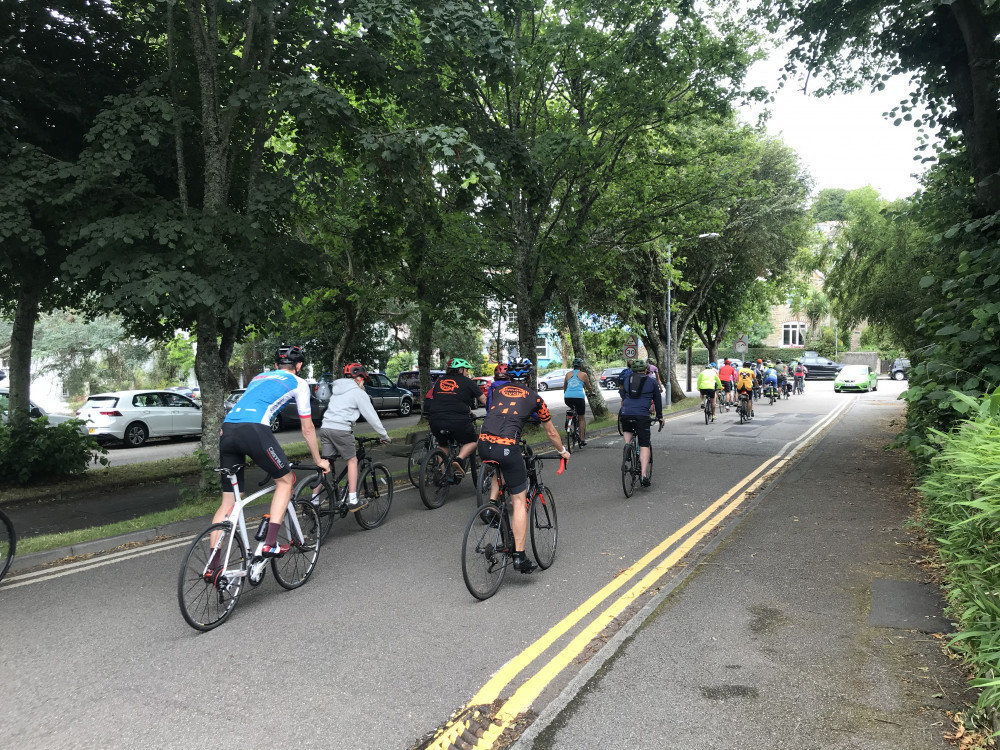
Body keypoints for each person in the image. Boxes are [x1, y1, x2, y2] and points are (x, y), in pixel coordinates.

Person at [213, 345, 330, 565]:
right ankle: (270, 542)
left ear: (275, 365)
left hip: (227, 430)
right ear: (299, 366)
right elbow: (307, 428)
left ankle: (213, 566)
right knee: (286, 480)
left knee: (228, 503)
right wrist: (318, 460)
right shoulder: (299, 383)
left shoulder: (259, 377)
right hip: (255, 430)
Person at [478, 358, 570, 574]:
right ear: (529, 377)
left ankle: (492, 505)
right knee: (519, 501)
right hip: (508, 447)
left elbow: (497, 414)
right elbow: (551, 432)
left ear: (508, 375)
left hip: (483, 444)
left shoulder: (497, 391)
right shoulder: (535, 398)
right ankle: (519, 556)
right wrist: (562, 451)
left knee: (497, 466)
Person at [317, 363, 391, 511]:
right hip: (341, 430)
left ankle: (313, 502)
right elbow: (372, 417)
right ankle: (353, 499)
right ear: (359, 379)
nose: (363, 383)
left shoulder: (337, 391)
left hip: (325, 428)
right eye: (363, 380)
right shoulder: (358, 393)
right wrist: (384, 435)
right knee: (352, 460)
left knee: (325, 464)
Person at [427, 357, 486, 478]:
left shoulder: (440, 381)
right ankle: (458, 460)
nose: (467, 372)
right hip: (457, 420)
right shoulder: (468, 382)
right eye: (466, 370)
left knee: (442, 445)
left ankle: (445, 475)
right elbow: (484, 400)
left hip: (435, 419)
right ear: (460, 369)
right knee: (474, 440)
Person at [619, 359, 664, 486]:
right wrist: (659, 416)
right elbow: (658, 400)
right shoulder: (651, 381)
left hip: (626, 413)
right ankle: (643, 475)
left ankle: (627, 447)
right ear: (646, 370)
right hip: (642, 415)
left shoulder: (626, 380)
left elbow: (623, 394)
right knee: (644, 444)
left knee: (627, 431)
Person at [562, 357, 593, 446]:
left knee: (572, 409)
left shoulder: (568, 374)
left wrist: (566, 394)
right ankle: (582, 439)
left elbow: (565, 387)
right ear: (581, 366)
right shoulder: (584, 374)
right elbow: (588, 387)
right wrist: (591, 392)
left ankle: (569, 420)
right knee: (581, 417)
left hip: (568, 398)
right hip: (579, 398)